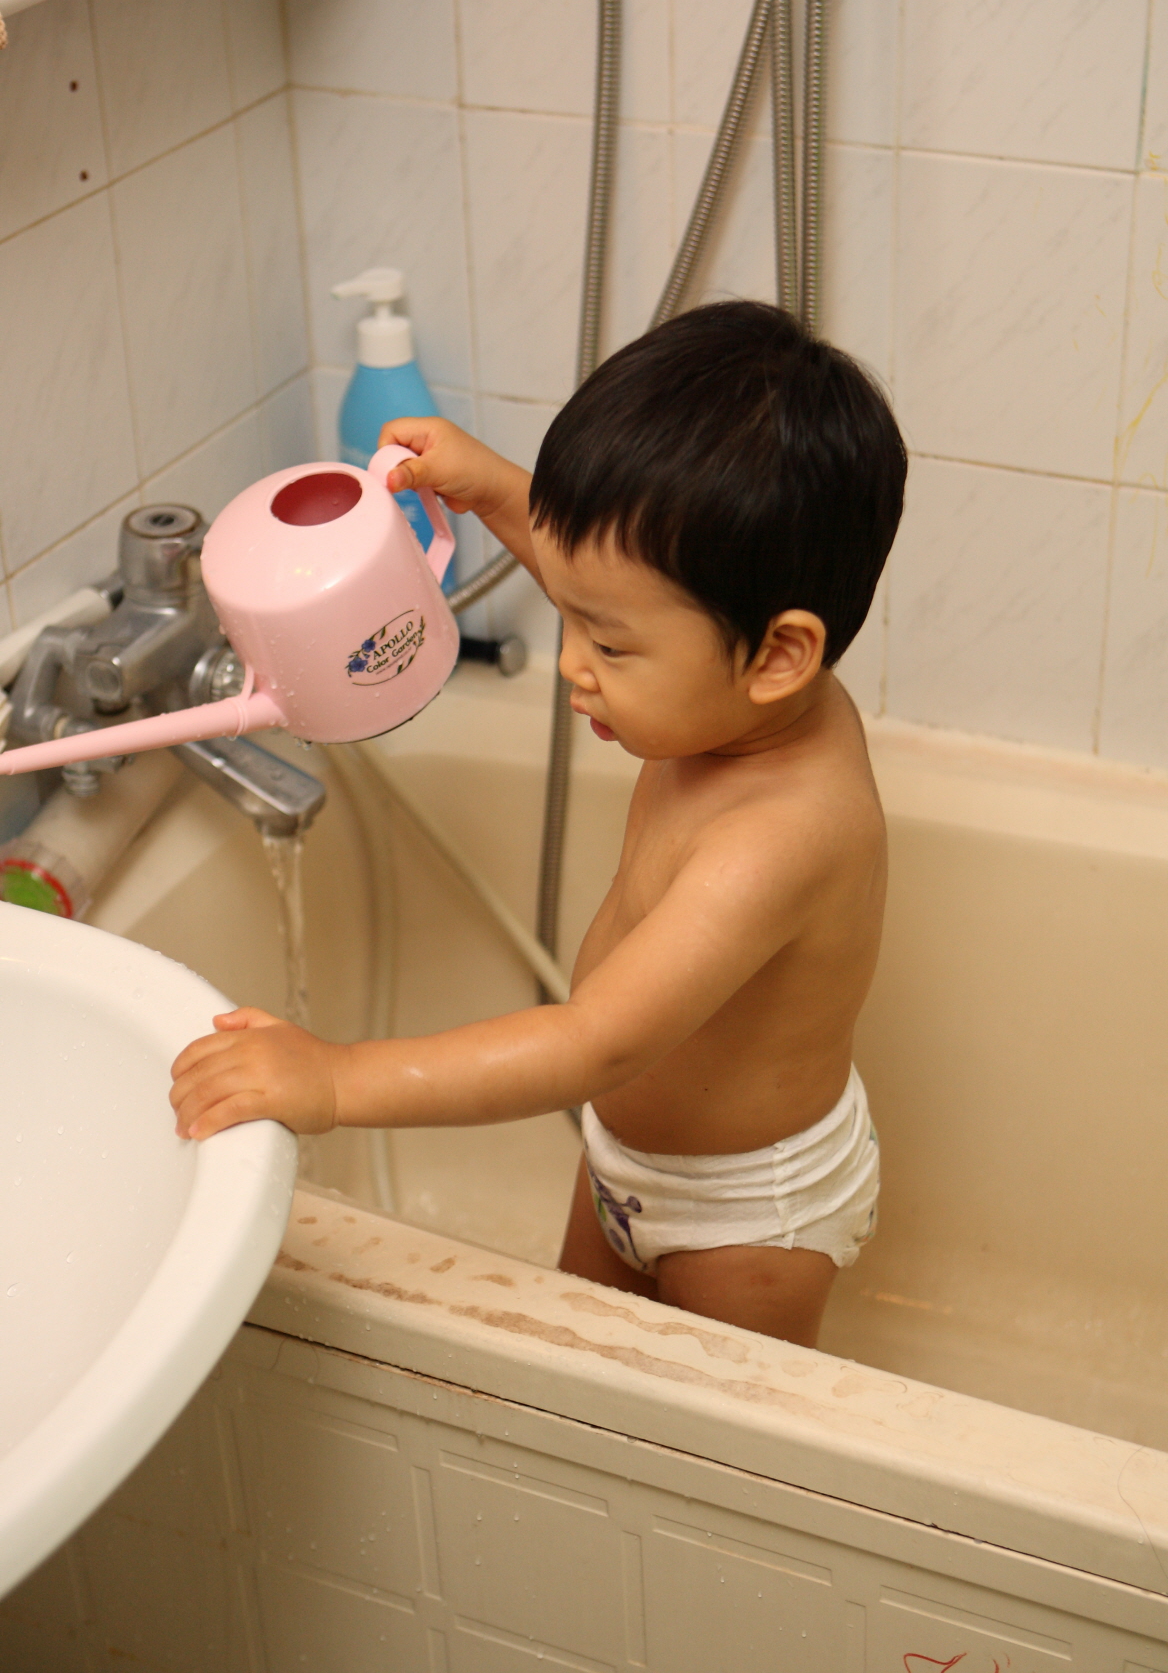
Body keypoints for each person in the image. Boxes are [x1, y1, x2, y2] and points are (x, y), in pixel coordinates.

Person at [170, 301, 907, 1348]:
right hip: (622, 1155)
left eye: (608, 645)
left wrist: (334, 1078)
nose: (571, 665)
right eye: (573, 620)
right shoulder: (736, 696)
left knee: (706, 1436)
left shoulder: (778, 837)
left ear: (777, 656)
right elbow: (612, 574)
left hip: (744, 1214)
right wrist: (496, 487)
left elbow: (593, 1041)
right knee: (575, 1386)